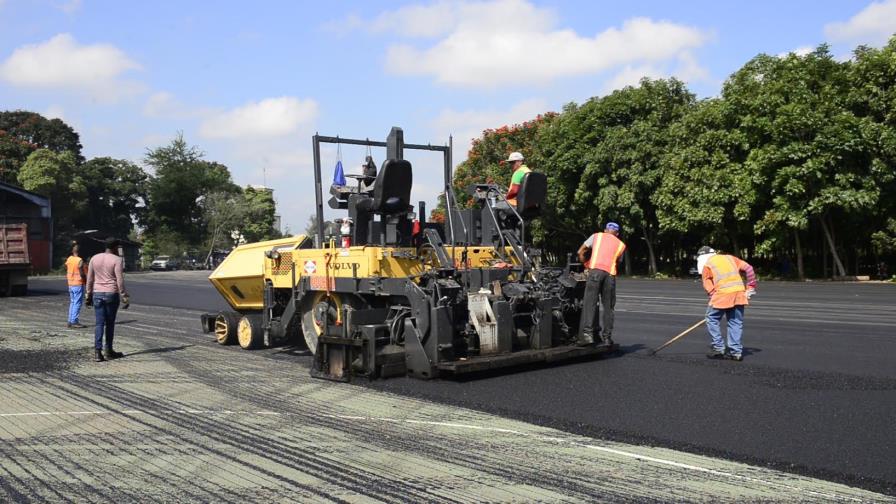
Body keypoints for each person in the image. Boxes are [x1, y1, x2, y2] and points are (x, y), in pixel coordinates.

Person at [697, 246, 757, 361]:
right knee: (735, 322)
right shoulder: (730, 258)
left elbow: (708, 286)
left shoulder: (707, 265)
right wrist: (751, 288)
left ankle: (719, 348)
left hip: (722, 295)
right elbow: (749, 268)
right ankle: (736, 352)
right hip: (739, 294)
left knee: (711, 318)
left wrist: (713, 297)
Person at [577, 222, 626, 346]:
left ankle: (588, 336)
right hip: (610, 276)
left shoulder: (596, 236)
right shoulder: (621, 245)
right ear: (617, 234)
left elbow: (580, 251)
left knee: (590, 303)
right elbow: (618, 263)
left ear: (605, 230)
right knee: (608, 307)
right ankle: (607, 338)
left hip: (595, 274)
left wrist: (586, 264)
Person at [86, 238, 130, 362]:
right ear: (115, 247)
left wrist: (88, 295)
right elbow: (119, 280)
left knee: (99, 323)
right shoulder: (117, 260)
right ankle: (108, 350)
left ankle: (97, 353)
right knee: (110, 324)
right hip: (111, 294)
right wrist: (124, 295)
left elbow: (89, 279)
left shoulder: (94, 258)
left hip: (97, 294)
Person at [64, 243, 88, 329]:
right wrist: (85, 280)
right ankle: (74, 321)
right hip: (78, 283)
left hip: (70, 284)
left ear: (72, 251)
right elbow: (82, 273)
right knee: (77, 303)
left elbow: (67, 268)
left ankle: (70, 320)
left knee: (73, 302)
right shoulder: (79, 260)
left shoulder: (69, 259)